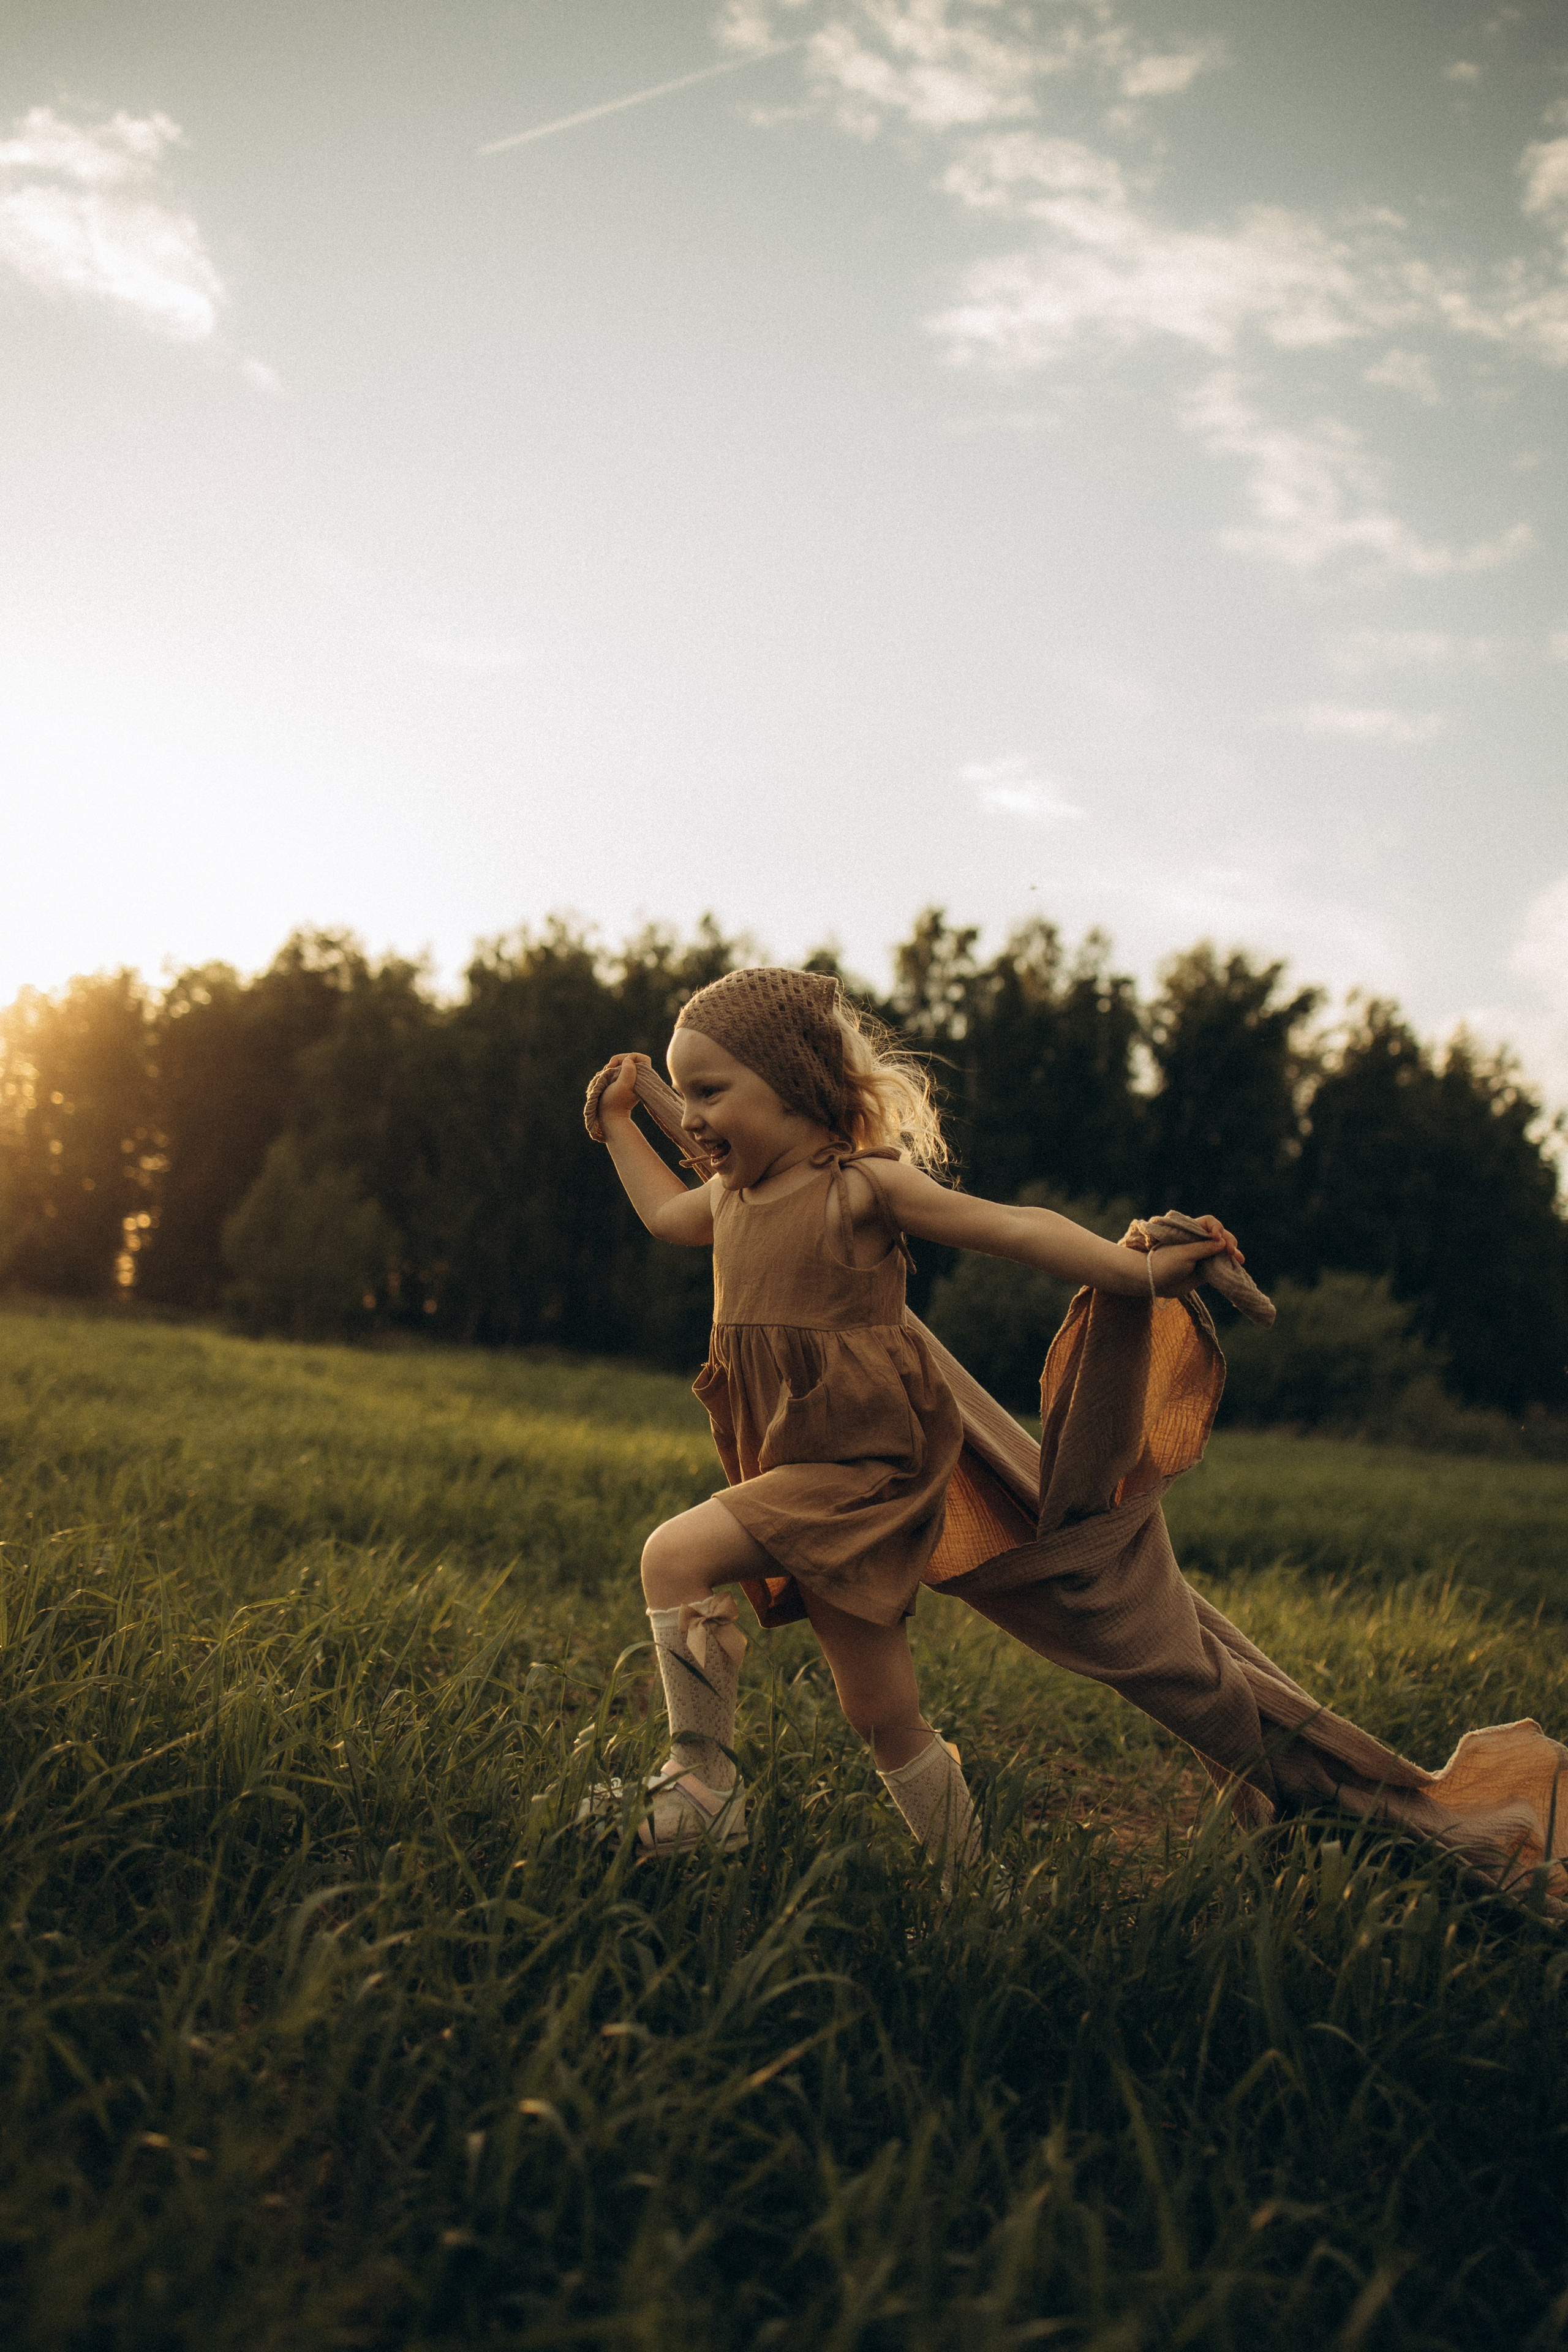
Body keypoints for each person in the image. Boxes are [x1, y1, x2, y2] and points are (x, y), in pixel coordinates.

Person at [585, 965, 1237, 1873]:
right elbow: (665, 1215)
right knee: (883, 1715)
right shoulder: (732, 1197)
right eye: (681, 1091)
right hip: (795, 1471)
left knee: (673, 1555)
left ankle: (701, 1787)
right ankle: (978, 1891)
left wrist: (1133, 1273)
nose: (690, 1115)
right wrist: (621, 1125)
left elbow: (1012, 1226)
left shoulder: (856, 1189)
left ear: (795, 1085)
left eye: (710, 1090)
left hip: (858, 1473)